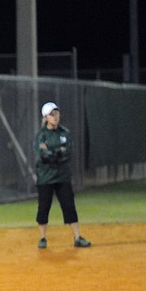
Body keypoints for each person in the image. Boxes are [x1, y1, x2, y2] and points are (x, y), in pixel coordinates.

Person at [34, 102, 91, 249]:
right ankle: (42, 238)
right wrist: (58, 152)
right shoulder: (41, 135)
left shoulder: (64, 132)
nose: (55, 117)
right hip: (45, 176)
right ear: (45, 117)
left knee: (69, 205)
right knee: (44, 207)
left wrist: (52, 153)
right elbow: (42, 155)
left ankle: (77, 237)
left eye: (57, 113)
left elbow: (68, 153)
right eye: (52, 114)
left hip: (62, 176)